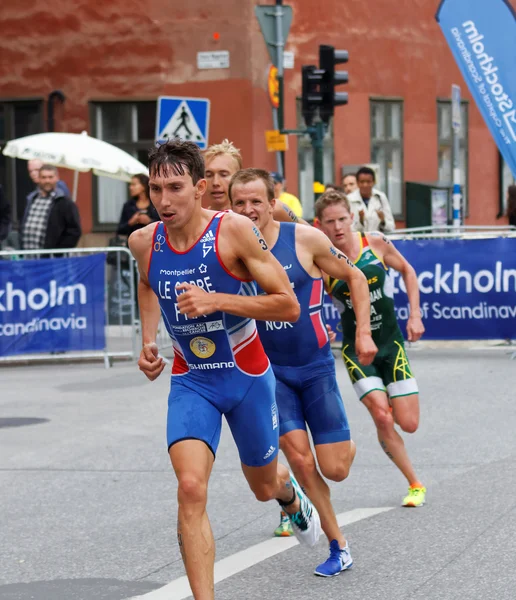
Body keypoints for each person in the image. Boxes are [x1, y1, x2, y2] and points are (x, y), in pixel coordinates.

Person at [128, 140, 322, 600]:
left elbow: (288, 303)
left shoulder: (232, 231)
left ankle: (289, 496)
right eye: (156, 188)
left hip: (248, 378)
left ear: (198, 188)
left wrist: (216, 299)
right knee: (191, 487)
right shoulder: (143, 241)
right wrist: (148, 342)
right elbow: (147, 285)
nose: (163, 200)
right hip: (191, 379)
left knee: (264, 485)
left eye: (175, 187)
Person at [230, 168, 377, 576]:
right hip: (271, 375)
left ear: (273, 201)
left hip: (314, 369)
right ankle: (338, 546)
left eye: (256, 201)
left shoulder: (306, 240)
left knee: (335, 468)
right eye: (239, 202)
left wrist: (362, 332)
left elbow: (356, 275)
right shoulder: (230, 249)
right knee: (299, 459)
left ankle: (345, 447)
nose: (248, 209)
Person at [315, 190, 426, 508]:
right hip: (355, 350)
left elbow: (407, 270)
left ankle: (394, 404)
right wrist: (323, 325)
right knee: (380, 415)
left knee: (409, 424)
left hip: (391, 345)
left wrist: (415, 314)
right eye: (330, 222)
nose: (337, 227)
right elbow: (311, 301)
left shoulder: (374, 243)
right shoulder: (322, 260)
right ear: (319, 224)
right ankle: (415, 483)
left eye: (342, 219)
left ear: (353, 218)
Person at [203, 139, 305, 224]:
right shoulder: (201, 221)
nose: (215, 182)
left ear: (238, 176)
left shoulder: (272, 208)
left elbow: (307, 231)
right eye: (209, 175)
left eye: (223, 174)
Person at [20, 164, 81, 252]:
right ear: (39, 179)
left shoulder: (64, 202)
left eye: (50, 177)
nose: (47, 180)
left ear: (57, 178)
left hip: (51, 259)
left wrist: (58, 252)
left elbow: (74, 231)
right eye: (44, 177)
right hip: (28, 257)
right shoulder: (31, 199)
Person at [347, 167, 395, 233]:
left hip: (377, 241)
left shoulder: (380, 197)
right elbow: (348, 229)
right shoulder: (349, 199)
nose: (365, 185)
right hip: (358, 241)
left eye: (368, 182)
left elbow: (391, 227)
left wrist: (383, 220)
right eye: (362, 182)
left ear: (374, 182)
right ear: (357, 183)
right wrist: (360, 221)